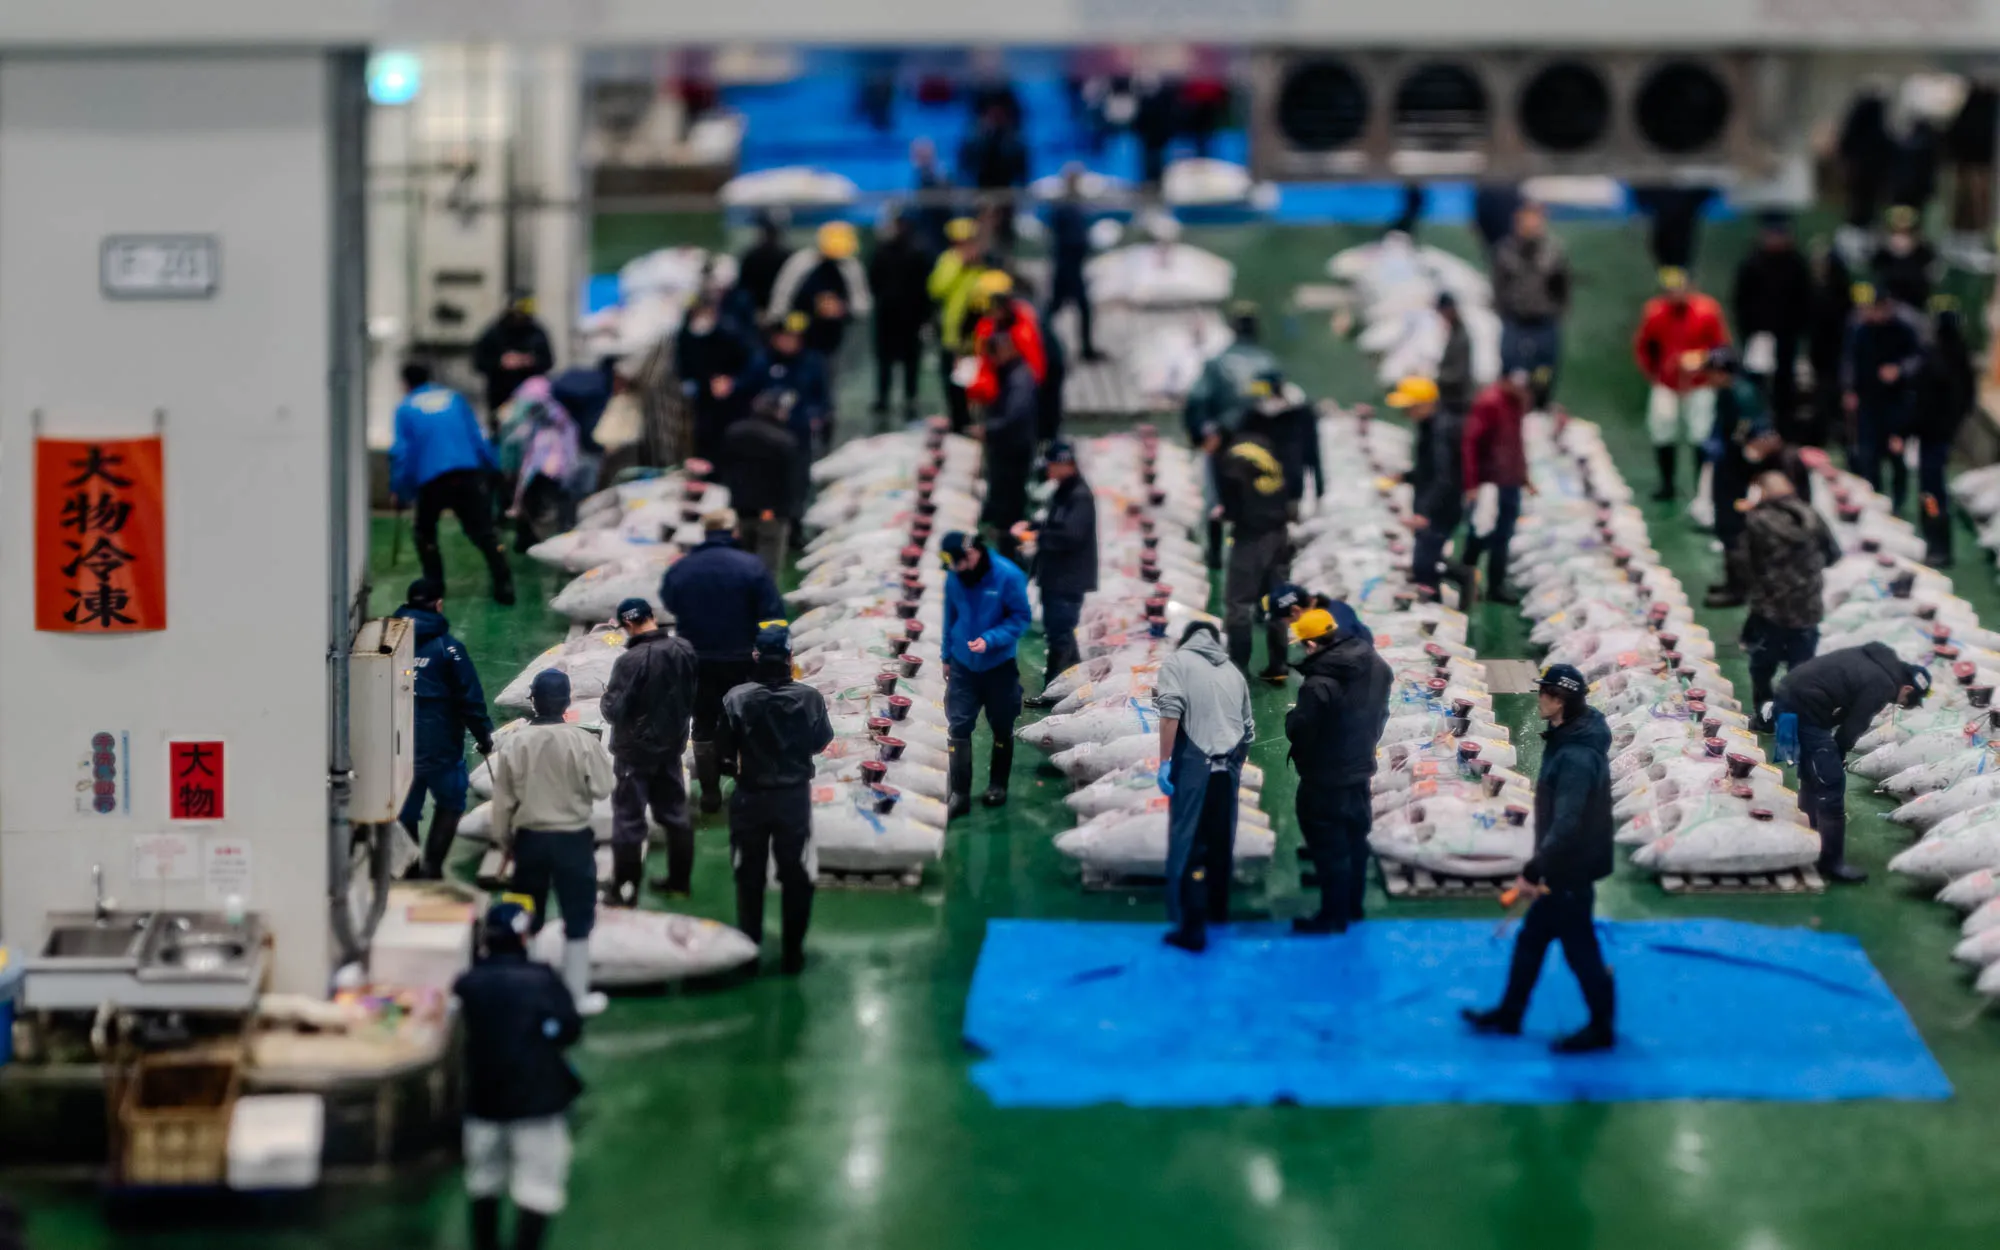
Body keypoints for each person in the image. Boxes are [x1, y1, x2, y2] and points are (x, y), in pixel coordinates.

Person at [1463, 664, 1616, 1053]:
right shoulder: (1569, 734)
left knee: (1581, 951)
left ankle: (1601, 1028)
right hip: (1562, 866)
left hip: (1569, 869)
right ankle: (1510, 1015)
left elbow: (1567, 822)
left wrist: (1537, 866)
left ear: (1560, 700)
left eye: (1544, 692)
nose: (1538, 699)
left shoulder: (1577, 756)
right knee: (1531, 940)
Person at [454, 900, 584, 1250]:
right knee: (539, 1188)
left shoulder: (468, 984)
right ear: (524, 938)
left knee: (483, 1180)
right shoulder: (542, 980)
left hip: (483, 1099)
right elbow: (570, 1029)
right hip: (537, 1100)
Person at [489, 670, 616, 1016]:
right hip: (573, 841)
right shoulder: (583, 741)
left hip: (529, 841)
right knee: (578, 917)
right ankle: (576, 997)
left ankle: (527, 994)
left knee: (526, 917)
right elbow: (604, 788)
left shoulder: (515, 743)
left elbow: (502, 803)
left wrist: (504, 841)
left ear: (534, 701)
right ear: (567, 701)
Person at [715, 622, 835, 975]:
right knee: (795, 874)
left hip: (750, 796)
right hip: (792, 798)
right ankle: (793, 954)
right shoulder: (810, 698)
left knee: (748, 873)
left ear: (756, 655)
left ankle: (749, 949)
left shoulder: (735, 698)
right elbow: (820, 742)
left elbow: (722, 752)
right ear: (789, 656)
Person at [661, 508, 786, 815]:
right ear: (734, 532)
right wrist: (773, 654)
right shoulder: (751, 567)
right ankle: (744, 783)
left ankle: (709, 791)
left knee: (702, 722)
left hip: (695, 659)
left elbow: (669, 601)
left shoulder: (682, 568)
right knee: (744, 719)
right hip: (742, 658)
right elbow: (772, 614)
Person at [1775, 644, 1932, 883]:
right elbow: (1854, 725)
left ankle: (1808, 837)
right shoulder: (1883, 684)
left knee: (1812, 774)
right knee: (1831, 784)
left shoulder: (1879, 663)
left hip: (1792, 695)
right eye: (1907, 700)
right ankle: (1831, 861)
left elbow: (1845, 703)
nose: (1901, 704)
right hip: (1801, 707)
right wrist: (1838, 752)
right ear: (1907, 687)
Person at [1285, 604, 1393, 934]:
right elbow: (1383, 714)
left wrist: (1292, 721)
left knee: (1328, 846)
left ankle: (1332, 917)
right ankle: (1353, 907)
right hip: (1360, 770)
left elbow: (1300, 728)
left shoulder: (1318, 684)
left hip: (1324, 778)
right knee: (1355, 840)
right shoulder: (1376, 664)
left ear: (1312, 644)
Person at [1154, 621, 1255, 953]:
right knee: (1220, 841)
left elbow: (1170, 715)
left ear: (1185, 640)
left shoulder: (1176, 663)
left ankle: (1192, 929)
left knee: (1191, 843)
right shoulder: (1232, 670)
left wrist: (1165, 761)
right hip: (1228, 768)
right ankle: (1218, 913)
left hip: (1196, 766)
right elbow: (1248, 728)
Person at [390, 362, 516, 606]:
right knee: (484, 533)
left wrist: (400, 489)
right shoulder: (454, 398)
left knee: (425, 532)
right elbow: (476, 436)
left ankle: (434, 587)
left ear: (405, 383)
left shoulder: (405, 408)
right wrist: (494, 469)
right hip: (468, 473)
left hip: (432, 478)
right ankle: (505, 585)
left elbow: (402, 452)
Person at [394, 579, 495, 880]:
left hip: (397, 746)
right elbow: (470, 698)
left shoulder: (389, 643)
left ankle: (407, 869)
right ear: (438, 605)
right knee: (451, 800)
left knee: (404, 809)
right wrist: (484, 736)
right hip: (441, 747)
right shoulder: (449, 648)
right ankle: (432, 868)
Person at [600, 598, 700, 903]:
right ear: (652, 616)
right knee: (675, 816)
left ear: (627, 625)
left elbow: (614, 711)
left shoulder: (630, 661)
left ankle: (625, 890)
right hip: (671, 748)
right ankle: (680, 883)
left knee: (629, 821)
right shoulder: (684, 649)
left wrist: (605, 699)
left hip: (634, 754)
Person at [940, 530, 1034, 816]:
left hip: (998, 667)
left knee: (1002, 724)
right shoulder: (955, 576)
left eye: (961, 562)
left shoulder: (1008, 576)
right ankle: (960, 794)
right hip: (962, 666)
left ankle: (997, 785)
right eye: (953, 565)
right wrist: (946, 655)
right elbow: (950, 615)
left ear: (974, 553)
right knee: (958, 726)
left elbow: (1021, 618)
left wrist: (991, 639)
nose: (957, 570)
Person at [1184, 302, 1284, 569]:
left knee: (1217, 500)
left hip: (1223, 442)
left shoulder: (1217, 363)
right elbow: (1275, 403)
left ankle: (1215, 557)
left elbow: (1196, 400)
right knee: (1257, 500)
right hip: (1260, 444)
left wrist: (1199, 434)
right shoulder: (1268, 363)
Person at [1741, 469, 1842, 729]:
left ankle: (1765, 719)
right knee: (1801, 669)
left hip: (1771, 610)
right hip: (1807, 609)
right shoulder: (1812, 515)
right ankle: (1797, 718)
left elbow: (1748, 565)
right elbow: (1833, 554)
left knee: (1762, 668)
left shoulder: (1757, 520)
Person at [1633, 267, 1731, 510]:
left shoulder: (1707, 311)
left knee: (1701, 433)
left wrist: (1703, 362)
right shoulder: (1655, 312)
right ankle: (1666, 483)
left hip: (1699, 383)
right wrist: (1653, 374)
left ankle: (1702, 486)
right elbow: (1644, 346)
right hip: (1667, 383)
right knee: (1662, 428)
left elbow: (1721, 347)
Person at [1214, 395, 1293, 683]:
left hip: (1251, 539)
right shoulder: (1261, 446)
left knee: (1238, 605)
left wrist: (1227, 514)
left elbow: (1233, 504)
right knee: (1279, 602)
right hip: (1280, 534)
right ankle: (1279, 666)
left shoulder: (1230, 460)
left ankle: (1238, 670)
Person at [1018, 439, 1097, 705]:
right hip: (1057, 575)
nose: (1048, 470)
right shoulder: (1065, 490)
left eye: (1052, 465)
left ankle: (1053, 694)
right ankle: (1071, 690)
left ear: (1066, 464)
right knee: (1060, 634)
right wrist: (1034, 526)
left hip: (1068, 578)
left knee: (1060, 636)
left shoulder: (1079, 496)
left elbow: (1072, 536)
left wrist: (1037, 537)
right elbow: (1056, 523)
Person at [1702, 349, 1780, 609]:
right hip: (1728, 466)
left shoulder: (1741, 394)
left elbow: (1755, 435)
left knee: (1733, 526)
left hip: (1735, 471)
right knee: (1725, 524)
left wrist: (1741, 458)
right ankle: (1732, 579)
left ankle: (1739, 586)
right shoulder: (1729, 392)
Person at [740, 311, 832, 525]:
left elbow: (822, 398)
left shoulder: (813, 362)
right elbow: (745, 390)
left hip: (797, 434)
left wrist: (814, 416)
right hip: (765, 438)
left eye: (793, 337)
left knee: (797, 480)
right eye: (784, 337)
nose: (788, 342)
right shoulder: (761, 362)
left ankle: (795, 524)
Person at [1732, 213, 1815, 439]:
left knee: (1785, 386)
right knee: (1756, 385)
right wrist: (1750, 331)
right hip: (1759, 336)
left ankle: (1784, 433)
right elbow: (1741, 301)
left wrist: (1798, 330)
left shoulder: (1796, 263)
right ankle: (1757, 432)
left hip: (1787, 336)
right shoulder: (1752, 263)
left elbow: (1805, 301)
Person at [1843, 285, 1925, 504]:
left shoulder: (1906, 326)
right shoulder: (1860, 326)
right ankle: (1874, 498)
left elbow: (1919, 358)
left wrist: (1899, 370)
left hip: (1897, 401)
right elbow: (1849, 359)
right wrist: (1849, 389)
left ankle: (1898, 502)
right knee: (1869, 454)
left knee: (1896, 455)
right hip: (1868, 399)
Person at [1461, 370, 1532, 606]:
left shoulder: (1515, 402)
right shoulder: (1489, 403)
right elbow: (1470, 443)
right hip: (1491, 482)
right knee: (1481, 532)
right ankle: (1466, 579)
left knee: (1503, 535)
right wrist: (1472, 483)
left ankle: (1494, 585)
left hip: (1509, 480)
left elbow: (1515, 443)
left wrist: (1523, 476)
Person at [1388, 376, 1464, 595]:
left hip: (1440, 508)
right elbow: (1428, 469)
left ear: (1425, 404)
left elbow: (1445, 477)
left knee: (1423, 568)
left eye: (1409, 407)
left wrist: (1426, 513)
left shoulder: (1440, 431)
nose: (1405, 412)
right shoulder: (1428, 426)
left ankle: (1443, 598)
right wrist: (1406, 477)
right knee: (1426, 560)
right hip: (1432, 504)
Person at [1490, 201, 1570, 409]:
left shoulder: (1553, 251)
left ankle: (1540, 408)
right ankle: (1509, 413)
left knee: (1544, 371)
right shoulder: (1506, 250)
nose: (1531, 223)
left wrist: (1555, 311)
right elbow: (1499, 286)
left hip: (1544, 322)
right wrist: (1505, 311)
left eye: (1536, 217)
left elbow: (1561, 287)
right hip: (1516, 321)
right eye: (1527, 217)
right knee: (1510, 368)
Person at [976, 316, 1041, 566]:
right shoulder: (1012, 374)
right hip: (1009, 449)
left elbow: (1015, 415)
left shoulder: (1019, 378)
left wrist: (989, 430)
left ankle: (1010, 558)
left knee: (1010, 507)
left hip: (1013, 451)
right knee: (1007, 505)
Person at [1915, 304, 1975, 565]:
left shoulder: (1938, 359)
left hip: (1933, 437)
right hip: (1941, 435)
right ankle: (1936, 542)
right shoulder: (1959, 358)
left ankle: (1937, 544)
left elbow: (1925, 400)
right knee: (1933, 491)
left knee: (1931, 494)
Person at [719, 389, 801, 575]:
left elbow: (726, 468)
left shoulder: (734, 432)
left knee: (743, 562)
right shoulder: (784, 441)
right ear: (778, 411)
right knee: (767, 569)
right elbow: (789, 482)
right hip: (772, 513)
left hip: (742, 510)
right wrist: (788, 513)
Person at [867, 206, 933, 425]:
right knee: (885, 361)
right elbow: (873, 280)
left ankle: (910, 398)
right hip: (887, 315)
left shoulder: (919, 252)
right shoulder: (882, 251)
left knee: (911, 362)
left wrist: (924, 316)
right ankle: (883, 398)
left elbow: (926, 287)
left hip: (910, 317)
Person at [770, 221, 872, 362]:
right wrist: (782, 324)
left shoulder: (850, 267)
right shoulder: (802, 262)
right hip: (800, 332)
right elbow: (783, 295)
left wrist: (842, 309)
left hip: (833, 337)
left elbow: (861, 304)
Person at [674, 286, 754, 464]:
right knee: (703, 440)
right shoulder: (685, 336)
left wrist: (732, 382)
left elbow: (751, 365)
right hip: (703, 398)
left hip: (732, 399)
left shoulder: (731, 333)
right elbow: (684, 367)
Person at [505, 377, 581, 553]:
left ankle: (559, 536)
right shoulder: (527, 416)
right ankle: (534, 537)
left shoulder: (552, 411)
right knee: (538, 502)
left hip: (550, 466)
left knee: (551, 502)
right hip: (538, 467)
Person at [928, 218, 991, 433]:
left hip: (976, 335)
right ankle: (959, 422)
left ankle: (974, 421)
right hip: (952, 333)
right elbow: (936, 289)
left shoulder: (980, 264)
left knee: (975, 379)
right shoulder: (948, 261)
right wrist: (960, 267)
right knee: (954, 382)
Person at [1044, 164, 1103, 361]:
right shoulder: (1063, 205)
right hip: (1066, 265)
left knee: (1067, 308)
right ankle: (1043, 339)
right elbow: (1067, 237)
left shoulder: (1072, 204)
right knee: (1060, 308)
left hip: (1072, 264)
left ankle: (1083, 348)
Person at [1805, 244, 1855, 450]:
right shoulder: (1828, 290)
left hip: (1833, 352)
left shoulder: (1831, 292)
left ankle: (1832, 433)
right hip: (1827, 353)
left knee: (1829, 394)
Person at [472, 294, 555, 417]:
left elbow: (548, 361)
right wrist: (501, 362)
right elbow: (479, 362)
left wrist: (529, 361)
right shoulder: (494, 332)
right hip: (500, 394)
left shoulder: (537, 332)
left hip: (531, 396)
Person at [1837, 87, 1895, 230]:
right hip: (1869, 172)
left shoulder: (1857, 125)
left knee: (1860, 204)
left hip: (1861, 171)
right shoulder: (1876, 127)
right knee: (1864, 205)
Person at [1948, 80, 1998, 243]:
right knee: (1973, 200)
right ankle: (1972, 232)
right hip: (1977, 162)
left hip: (1977, 162)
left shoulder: (1975, 109)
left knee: (1974, 200)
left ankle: (1973, 233)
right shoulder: (1985, 109)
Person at [1873, 205, 1940, 311]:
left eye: (1905, 232)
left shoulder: (1925, 255)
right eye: (1896, 231)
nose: (1900, 237)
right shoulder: (1881, 255)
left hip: (1913, 311)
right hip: (1882, 312)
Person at [736, 212, 791, 317]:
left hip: (761, 307)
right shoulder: (787, 255)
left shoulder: (750, 256)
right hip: (767, 307)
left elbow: (742, 285)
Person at [909, 138, 955, 253]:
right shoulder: (916, 178)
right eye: (917, 154)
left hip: (939, 231)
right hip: (923, 233)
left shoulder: (943, 178)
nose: (919, 158)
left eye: (923, 154)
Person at [1434, 291, 1474, 413]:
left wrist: (1435, 377)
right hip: (1451, 398)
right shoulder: (1454, 332)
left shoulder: (1461, 337)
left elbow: (1458, 373)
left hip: (1458, 401)